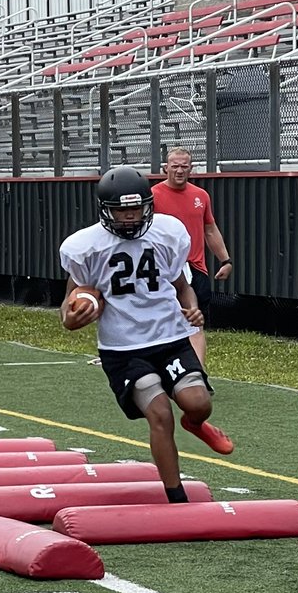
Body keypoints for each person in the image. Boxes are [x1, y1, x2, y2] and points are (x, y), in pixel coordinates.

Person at [60, 166, 234, 505]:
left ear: (148, 206)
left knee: (198, 404)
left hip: (170, 338)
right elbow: (68, 309)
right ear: (105, 210)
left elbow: (182, 286)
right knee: (159, 413)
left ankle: (195, 424)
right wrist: (74, 316)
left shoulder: (168, 233)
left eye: (136, 208)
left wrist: (193, 309)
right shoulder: (85, 246)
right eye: (122, 210)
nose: (129, 217)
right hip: (123, 349)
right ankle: (176, 496)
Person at [150, 147, 233, 366]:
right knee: (162, 323)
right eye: (175, 166)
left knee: (195, 323)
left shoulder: (200, 196)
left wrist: (225, 260)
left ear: (191, 169)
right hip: (163, 268)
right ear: (165, 168)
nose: (179, 171)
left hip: (195, 268)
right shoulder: (153, 196)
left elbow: (210, 229)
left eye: (184, 166)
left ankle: (198, 375)